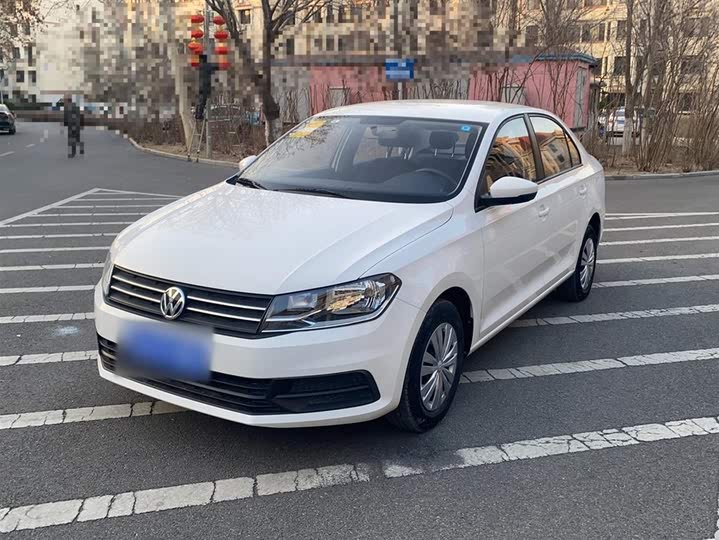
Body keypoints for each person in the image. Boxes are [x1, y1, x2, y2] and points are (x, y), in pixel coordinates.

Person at [63, 94, 84, 158]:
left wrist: (66, 123)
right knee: (74, 139)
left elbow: (67, 116)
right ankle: (78, 148)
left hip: (73, 124)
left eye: (64, 100)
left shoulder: (68, 107)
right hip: (74, 124)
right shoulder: (74, 106)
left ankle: (73, 152)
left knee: (72, 139)